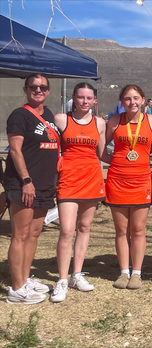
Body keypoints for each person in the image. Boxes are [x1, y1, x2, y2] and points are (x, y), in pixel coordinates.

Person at [4, 74, 59, 304]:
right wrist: (26, 180)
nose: (38, 90)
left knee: (34, 234)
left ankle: (25, 279)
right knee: (21, 234)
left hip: (45, 185)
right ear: (26, 89)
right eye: (34, 87)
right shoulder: (19, 115)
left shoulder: (49, 115)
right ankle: (16, 289)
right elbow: (15, 150)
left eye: (43, 87)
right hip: (24, 184)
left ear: (48, 90)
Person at [50, 83, 107, 302]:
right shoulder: (60, 120)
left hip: (91, 179)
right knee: (66, 230)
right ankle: (62, 280)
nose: (84, 101)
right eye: (81, 97)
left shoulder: (99, 123)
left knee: (84, 227)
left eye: (89, 98)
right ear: (73, 98)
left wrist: (131, 163)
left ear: (94, 100)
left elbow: (102, 154)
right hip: (68, 180)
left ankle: (77, 275)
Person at [103, 85, 152, 290]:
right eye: (127, 99)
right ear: (121, 101)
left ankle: (137, 273)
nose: (132, 102)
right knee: (121, 230)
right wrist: (116, 162)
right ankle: (124, 272)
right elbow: (101, 149)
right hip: (117, 180)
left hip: (141, 181)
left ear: (143, 100)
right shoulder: (114, 121)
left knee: (138, 229)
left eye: (136, 98)